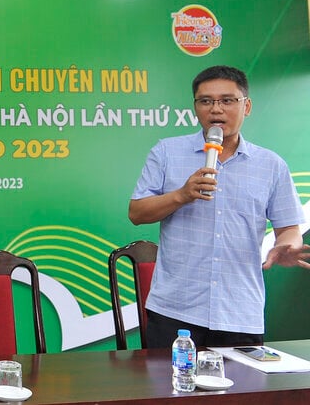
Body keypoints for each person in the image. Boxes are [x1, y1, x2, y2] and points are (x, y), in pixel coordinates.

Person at [129, 65, 309, 349]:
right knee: (167, 390)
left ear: (246, 106)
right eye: (206, 101)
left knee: (241, 393)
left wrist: (286, 245)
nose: (216, 110)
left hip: (239, 311)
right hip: (176, 309)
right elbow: (137, 213)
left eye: (227, 100)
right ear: (195, 107)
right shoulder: (166, 152)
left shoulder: (271, 165)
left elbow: (289, 228)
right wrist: (182, 195)